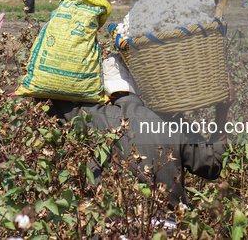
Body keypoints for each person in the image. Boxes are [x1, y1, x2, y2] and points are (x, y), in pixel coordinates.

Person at [48, 55, 230, 207]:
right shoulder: (173, 122)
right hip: (165, 230)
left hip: (109, 229)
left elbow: (48, 95)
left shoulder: (90, 118)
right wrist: (223, 110)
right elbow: (212, 165)